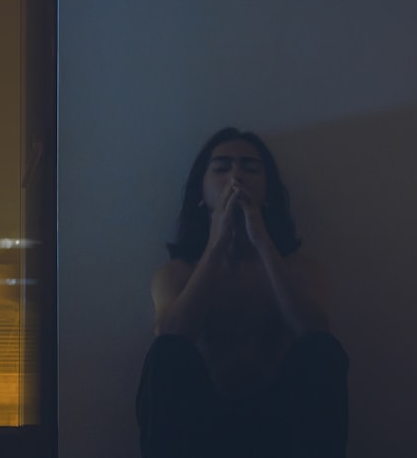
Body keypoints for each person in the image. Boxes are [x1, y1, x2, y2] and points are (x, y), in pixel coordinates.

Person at [136, 127, 349, 458]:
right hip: (201, 427)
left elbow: (315, 332)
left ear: (267, 193)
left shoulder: (300, 269)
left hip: (280, 424)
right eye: (222, 167)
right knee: (165, 354)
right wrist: (217, 243)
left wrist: (262, 241)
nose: (236, 175)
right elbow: (171, 338)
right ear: (200, 191)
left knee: (322, 350)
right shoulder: (176, 273)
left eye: (250, 168)